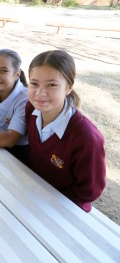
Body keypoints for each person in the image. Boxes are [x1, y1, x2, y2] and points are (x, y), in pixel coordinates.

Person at [26, 50, 106, 212]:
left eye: (52, 85)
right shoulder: (31, 110)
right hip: (33, 194)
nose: (40, 93)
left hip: (65, 208)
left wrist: (47, 201)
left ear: (68, 87)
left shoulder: (86, 138)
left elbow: (89, 191)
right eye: (34, 83)